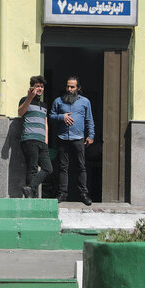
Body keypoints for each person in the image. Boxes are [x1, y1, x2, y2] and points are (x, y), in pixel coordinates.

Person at [50, 76, 95, 205]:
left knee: (81, 166)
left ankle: (83, 194)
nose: (69, 89)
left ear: (78, 88)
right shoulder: (58, 101)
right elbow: (51, 116)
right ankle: (62, 194)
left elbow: (89, 120)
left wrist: (91, 135)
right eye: (68, 86)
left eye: (72, 87)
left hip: (78, 138)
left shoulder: (85, 102)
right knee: (63, 167)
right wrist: (61, 117)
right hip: (62, 138)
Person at [18, 75, 53, 198]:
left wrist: (46, 140)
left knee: (48, 169)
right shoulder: (25, 99)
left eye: (42, 86)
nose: (40, 88)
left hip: (42, 141)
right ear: (32, 87)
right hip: (29, 139)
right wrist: (29, 97)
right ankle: (30, 195)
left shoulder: (44, 105)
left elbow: (45, 123)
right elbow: (20, 113)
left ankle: (29, 188)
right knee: (32, 168)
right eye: (37, 86)